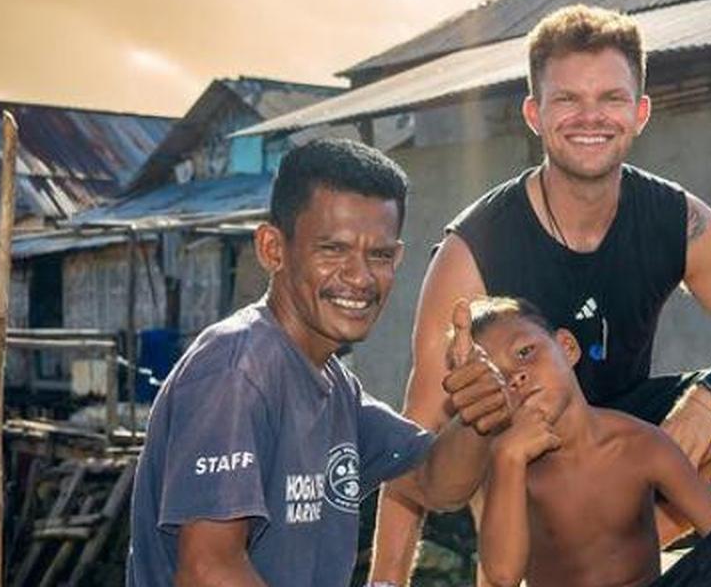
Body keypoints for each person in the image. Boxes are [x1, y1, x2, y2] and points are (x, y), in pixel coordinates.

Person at [371, 4, 711, 585]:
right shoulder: (474, 250)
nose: (590, 117)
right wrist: (384, 581)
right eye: (568, 99)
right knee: (484, 435)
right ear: (534, 112)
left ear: (641, 112)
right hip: (529, 453)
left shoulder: (673, 218)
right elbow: (414, 447)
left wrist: (709, 395)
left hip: (629, 434)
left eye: (611, 98)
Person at [126, 139, 511, 587]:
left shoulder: (334, 384)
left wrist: (476, 415)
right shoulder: (236, 370)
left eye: (379, 255)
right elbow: (208, 570)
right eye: (333, 250)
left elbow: (435, 483)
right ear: (273, 249)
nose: (360, 277)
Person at [469, 296, 711, 587]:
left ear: (566, 347)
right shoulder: (509, 467)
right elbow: (502, 576)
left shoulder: (639, 442)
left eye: (525, 352)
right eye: (497, 376)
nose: (516, 377)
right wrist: (507, 458)